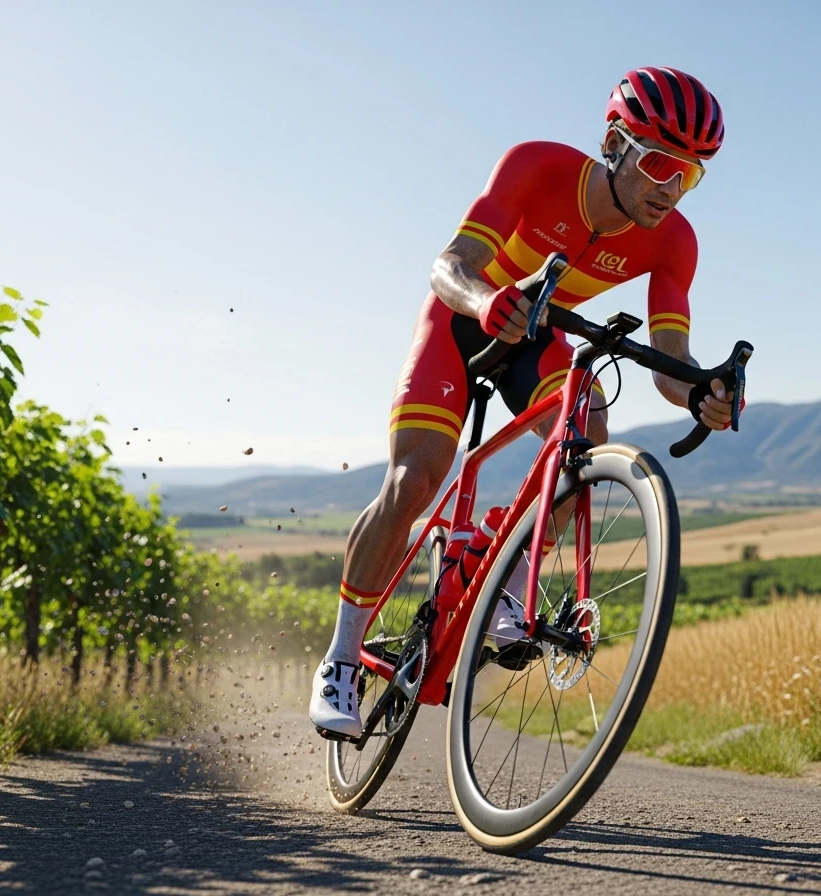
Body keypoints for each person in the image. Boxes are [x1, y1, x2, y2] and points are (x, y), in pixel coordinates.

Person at [311, 66, 738, 738]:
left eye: (691, 174)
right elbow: (448, 266)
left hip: (537, 335)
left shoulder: (675, 241)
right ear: (614, 143)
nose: (670, 188)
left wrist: (703, 396)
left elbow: (670, 363)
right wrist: (485, 300)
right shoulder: (538, 168)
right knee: (415, 477)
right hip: (463, 318)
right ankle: (340, 660)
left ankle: (506, 581)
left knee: (588, 426)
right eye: (658, 163)